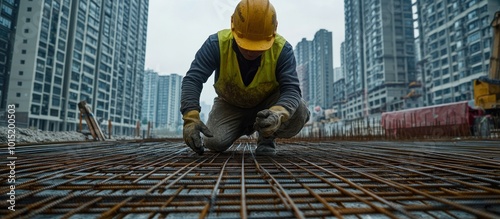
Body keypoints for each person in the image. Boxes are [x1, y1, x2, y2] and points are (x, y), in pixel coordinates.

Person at [180, 0, 310, 156]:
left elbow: (291, 90)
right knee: (214, 141)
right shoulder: (216, 44)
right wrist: (191, 117)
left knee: (299, 111)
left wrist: (277, 114)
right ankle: (242, 126)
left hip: (268, 104)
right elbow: (193, 79)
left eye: (258, 46)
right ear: (233, 27)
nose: (251, 52)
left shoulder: (282, 50)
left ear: (272, 33)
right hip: (231, 104)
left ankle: (267, 137)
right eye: (246, 44)